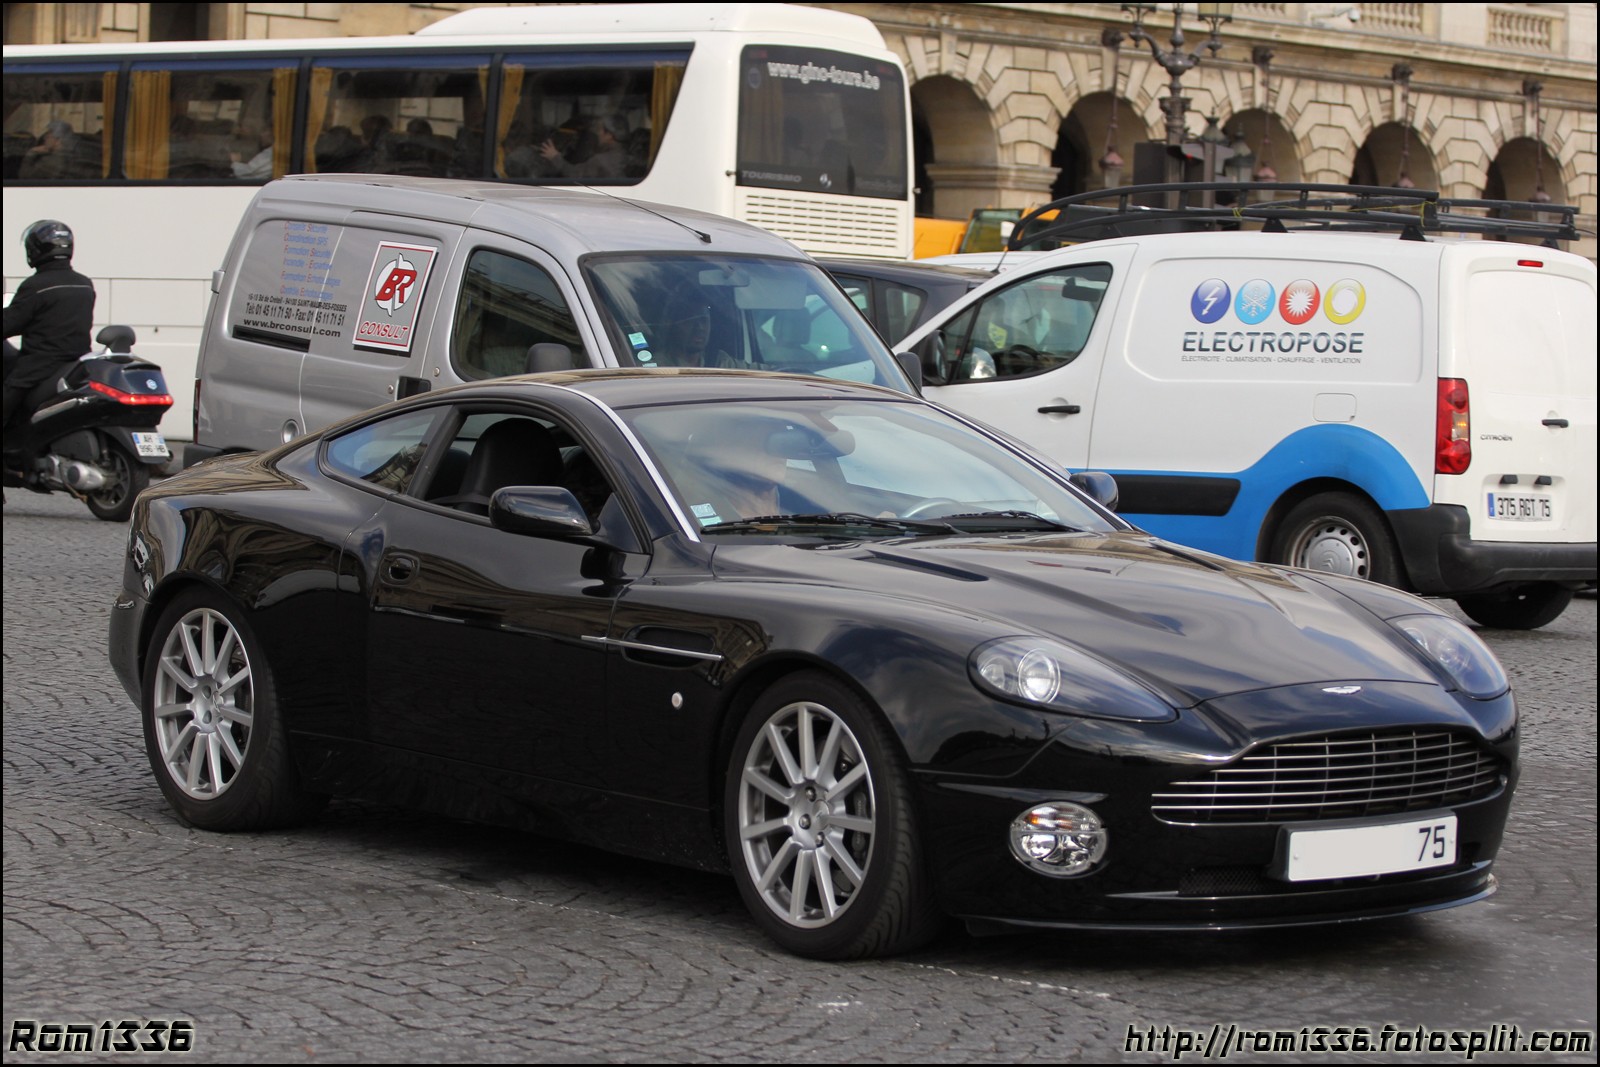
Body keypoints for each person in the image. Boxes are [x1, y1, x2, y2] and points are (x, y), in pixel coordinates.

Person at [3, 220, 96, 439]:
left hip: (39, 365)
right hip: (76, 362)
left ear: (35, 250)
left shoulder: (36, 285)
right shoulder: (84, 283)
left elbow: (10, 323)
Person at [539, 114, 628, 180]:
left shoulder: (601, 161)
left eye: (599, 129)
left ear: (609, 135)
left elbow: (574, 175)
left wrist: (554, 156)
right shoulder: (622, 154)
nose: (598, 133)